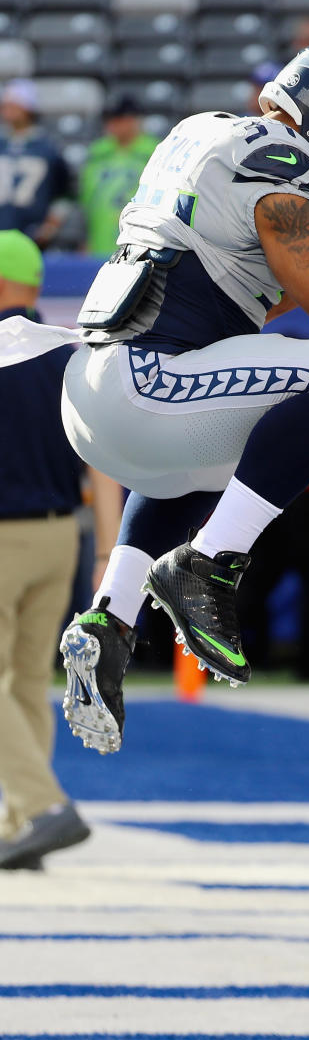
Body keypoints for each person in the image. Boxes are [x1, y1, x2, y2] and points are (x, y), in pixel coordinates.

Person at [0, 42, 309, 757]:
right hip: (145, 386)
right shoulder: (282, 157)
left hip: (102, 397)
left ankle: (111, 617)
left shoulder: (201, 132)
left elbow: (255, 298)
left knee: (206, 461)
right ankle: (208, 564)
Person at [0, 232, 110, 868]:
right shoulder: (72, 350)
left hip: (4, 536)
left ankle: (43, 808)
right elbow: (102, 460)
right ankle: (22, 828)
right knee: (26, 684)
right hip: (61, 536)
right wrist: (105, 548)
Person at [79, 96, 159, 258]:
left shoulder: (155, 151)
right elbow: (87, 200)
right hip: (100, 239)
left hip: (143, 241)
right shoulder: (97, 153)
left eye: (119, 119)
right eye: (110, 120)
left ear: (133, 120)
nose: (112, 125)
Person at [0, 79, 72, 247]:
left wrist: (50, 226)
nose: (8, 110)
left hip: (31, 234)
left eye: (14, 104)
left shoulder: (48, 148)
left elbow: (65, 193)